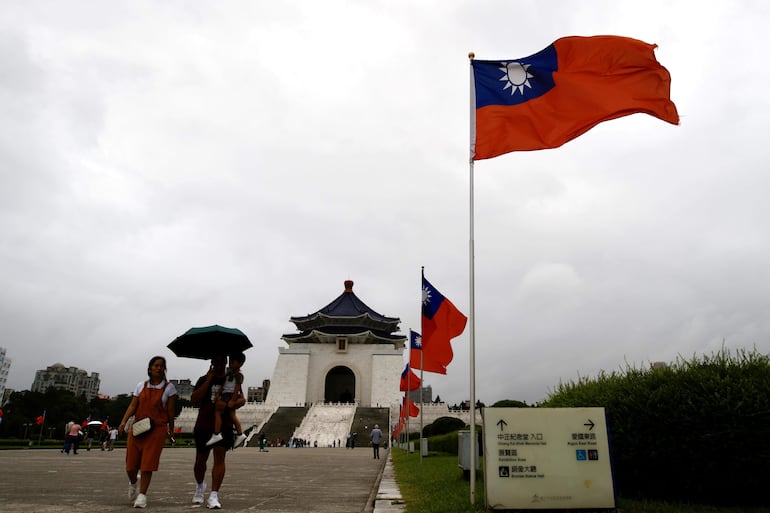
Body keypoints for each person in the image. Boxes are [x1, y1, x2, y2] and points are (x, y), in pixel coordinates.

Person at [118, 356, 177, 509]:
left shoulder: (169, 388)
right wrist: (123, 421)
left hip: (157, 429)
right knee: (130, 466)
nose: (159, 368)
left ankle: (142, 495)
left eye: (162, 366)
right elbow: (132, 406)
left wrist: (171, 429)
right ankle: (133, 482)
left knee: (147, 464)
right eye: (156, 365)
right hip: (138, 428)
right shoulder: (141, 386)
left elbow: (170, 411)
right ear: (150, 368)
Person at [191, 355, 246, 509]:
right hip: (204, 424)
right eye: (217, 361)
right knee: (200, 461)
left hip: (225, 424)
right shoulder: (203, 379)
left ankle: (214, 494)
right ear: (212, 362)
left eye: (223, 361)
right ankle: (200, 486)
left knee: (220, 457)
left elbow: (242, 399)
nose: (220, 364)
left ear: (226, 362)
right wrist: (209, 380)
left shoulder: (232, 378)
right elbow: (194, 400)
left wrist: (231, 404)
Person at [206, 352, 247, 449]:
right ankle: (240, 434)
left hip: (229, 396)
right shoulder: (228, 374)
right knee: (231, 415)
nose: (230, 364)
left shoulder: (238, 375)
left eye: (233, 362)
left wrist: (233, 400)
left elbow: (237, 388)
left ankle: (217, 433)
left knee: (218, 412)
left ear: (240, 364)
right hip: (224, 395)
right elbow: (223, 386)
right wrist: (218, 394)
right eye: (230, 362)